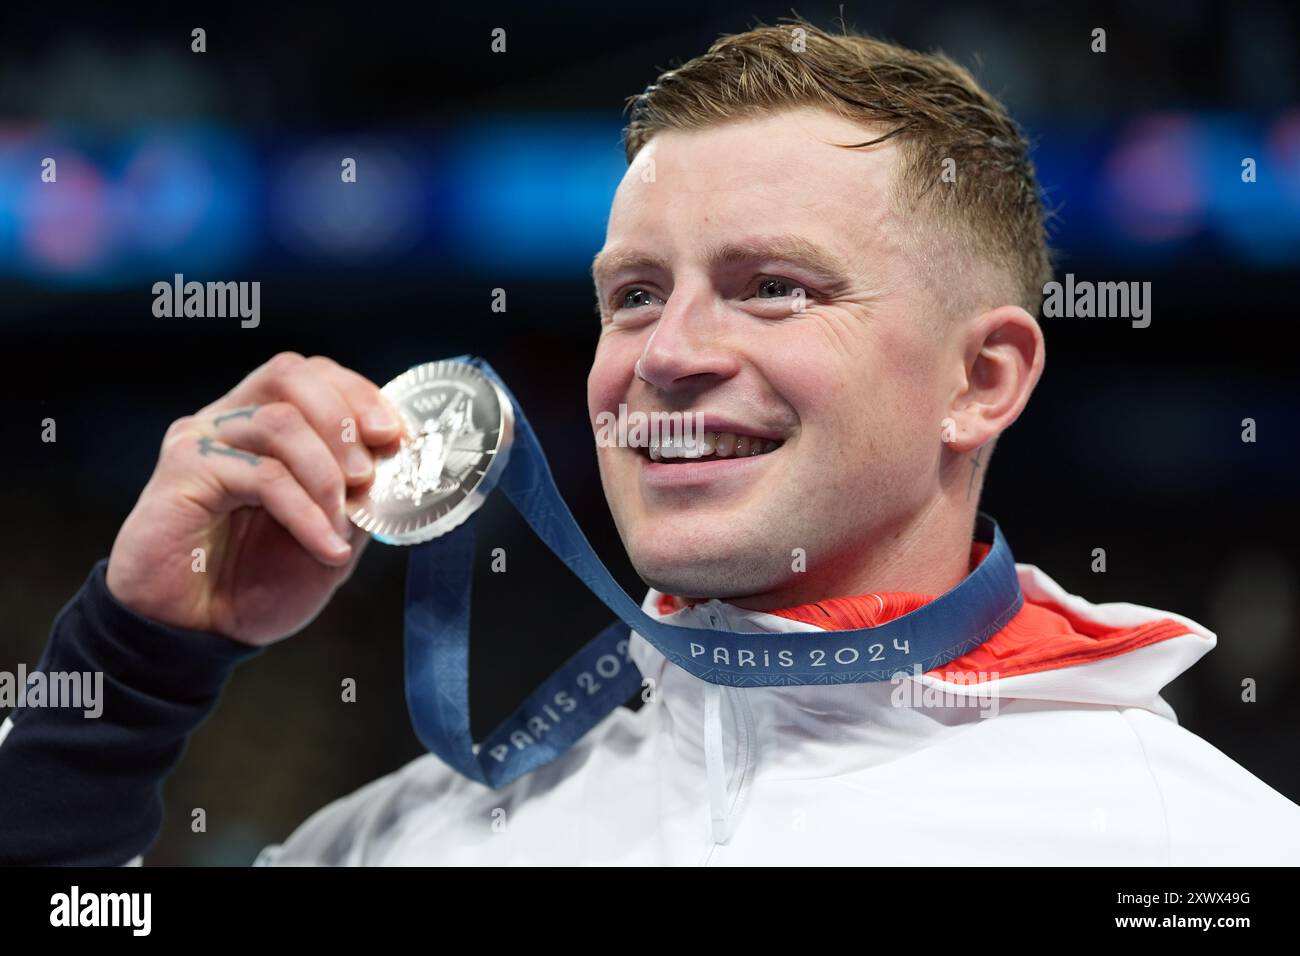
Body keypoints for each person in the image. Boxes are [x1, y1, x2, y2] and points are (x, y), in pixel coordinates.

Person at [3, 19, 1298, 866]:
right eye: (633, 293)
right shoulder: (409, 842)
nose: (663, 353)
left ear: (984, 377)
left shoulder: (1194, 855)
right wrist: (125, 674)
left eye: (773, 286)